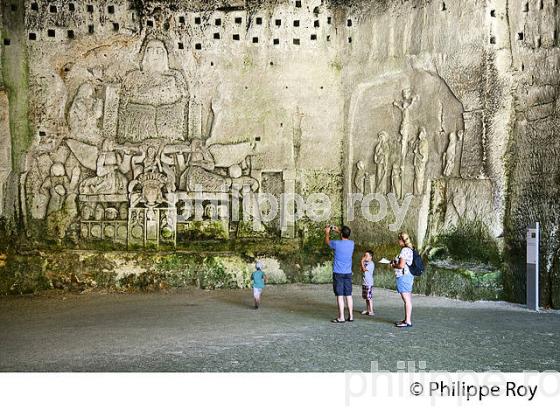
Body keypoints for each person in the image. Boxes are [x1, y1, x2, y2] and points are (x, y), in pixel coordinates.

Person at [325, 225, 355, 323]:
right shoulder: (352, 243)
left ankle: (341, 317)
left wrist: (327, 232)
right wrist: (339, 231)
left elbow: (328, 242)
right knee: (348, 295)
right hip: (348, 273)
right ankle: (351, 316)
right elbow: (345, 237)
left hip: (338, 273)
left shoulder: (336, 243)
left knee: (340, 295)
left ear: (341, 234)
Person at [390, 232, 415, 327]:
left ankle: (408, 321)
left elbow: (401, 265)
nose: (398, 241)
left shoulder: (404, 250)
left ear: (402, 240)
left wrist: (393, 265)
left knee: (406, 299)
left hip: (404, 276)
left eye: (399, 239)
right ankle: (406, 319)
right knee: (408, 299)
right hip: (408, 276)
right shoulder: (410, 249)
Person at [360, 250, 375, 316]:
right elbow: (361, 269)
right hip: (364, 282)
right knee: (366, 297)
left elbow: (364, 269)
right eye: (364, 255)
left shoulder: (371, 263)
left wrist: (361, 261)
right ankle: (368, 310)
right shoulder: (365, 263)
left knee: (369, 298)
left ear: (371, 257)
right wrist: (363, 263)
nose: (365, 257)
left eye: (366, 256)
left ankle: (371, 311)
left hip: (369, 283)